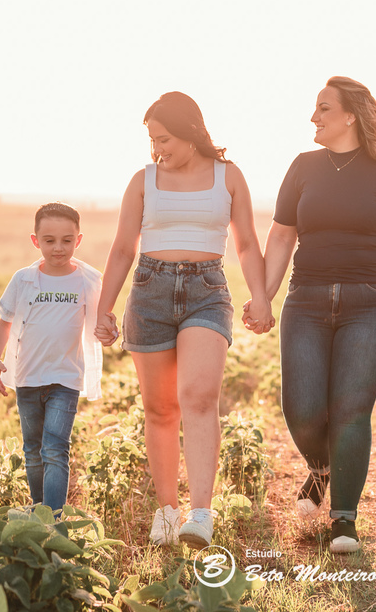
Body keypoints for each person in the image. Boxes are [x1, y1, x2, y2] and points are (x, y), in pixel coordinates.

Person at [262, 76, 376, 554]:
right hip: (306, 300)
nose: (314, 117)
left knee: (350, 412)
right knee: (301, 409)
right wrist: (263, 295)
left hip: (371, 304)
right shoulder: (303, 167)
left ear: (350, 115)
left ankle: (344, 520)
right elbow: (281, 235)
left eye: (323, 108)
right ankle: (321, 469)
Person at [94, 91, 272, 549]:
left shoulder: (229, 176)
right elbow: (122, 249)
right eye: (152, 141)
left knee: (198, 396)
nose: (158, 149)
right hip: (149, 292)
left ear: (190, 133)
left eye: (165, 139)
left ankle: (201, 514)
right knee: (159, 409)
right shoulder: (143, 180)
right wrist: (104, 308)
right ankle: (168, 512)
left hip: (206, 292)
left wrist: (261, 297)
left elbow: (247, 243)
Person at [0, 202, 103, 514]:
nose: (58, 248)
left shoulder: (87, 281)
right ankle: (39, 511)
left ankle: (53, 518)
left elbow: (101, 322)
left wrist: (109, 331)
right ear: (35, 240)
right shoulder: (23, 279)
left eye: (67, 240)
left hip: (65, 378)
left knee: (55, 448)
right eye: (49, 240)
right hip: (28, 377)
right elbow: (4, 323)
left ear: (78, 240)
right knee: (33, 451)